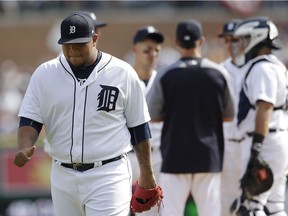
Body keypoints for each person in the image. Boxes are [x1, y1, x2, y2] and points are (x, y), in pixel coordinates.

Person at [13, 13, 158, 216]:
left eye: (79, 44)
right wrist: (24, 146)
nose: (72, 50)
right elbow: (30, 119)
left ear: (95, 39)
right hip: (62, 174)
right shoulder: (45, 74)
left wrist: (147, 174)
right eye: (67, 44)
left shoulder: (122, 72)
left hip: (108, 172)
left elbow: (139, 128)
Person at [146, 19, 235, 216]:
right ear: (201, 41)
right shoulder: (218, 73)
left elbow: (153, 116)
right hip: (208, 156)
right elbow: (229, 116)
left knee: (171, 212)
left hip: (175, 156)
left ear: (177, 42)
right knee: (210, 212)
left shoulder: (166, 74)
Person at [230, 16, 288, 216]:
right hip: (275, 140)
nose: (241, 44)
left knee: (251, 207)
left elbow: (264, 107)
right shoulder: (273, 65)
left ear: (257, 38)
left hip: (266, 142)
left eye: (245, 38)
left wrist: (256, 148)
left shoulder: (262, 68)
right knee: (275, 206)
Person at [128, 25, 164, 216]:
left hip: (156, 157)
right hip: (126, 156)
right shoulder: (124, 79)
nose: (152, 54)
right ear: (135, 49)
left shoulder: (164, 80)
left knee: (150, 212)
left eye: (156, 50)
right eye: (147, 49)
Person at [217, 18, 247, 216]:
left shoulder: (258, 66)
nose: (230, 45)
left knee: (255, 204)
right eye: (227, 40)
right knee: (227, 205)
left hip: (250, 144)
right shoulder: (219, 71)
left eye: (234, 40)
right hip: (227, 146)